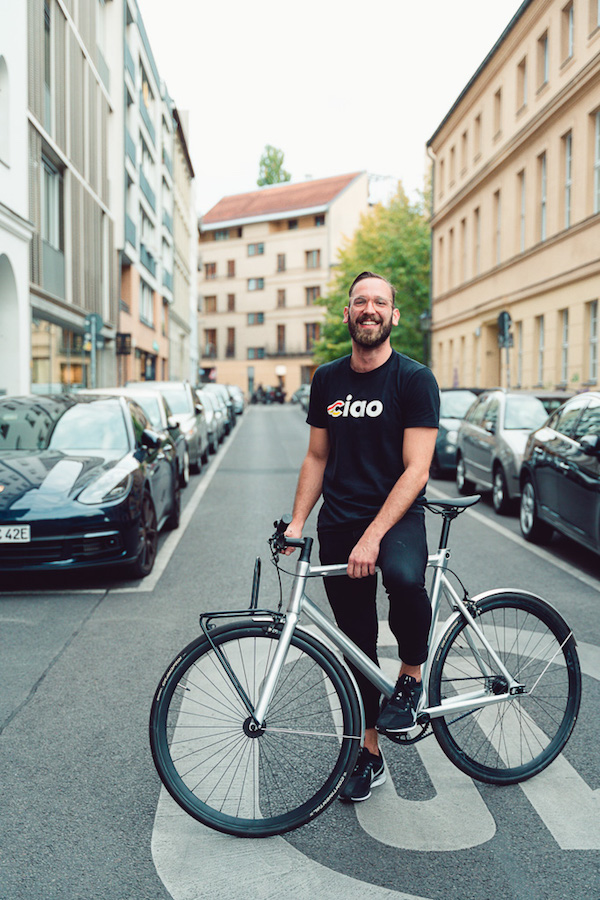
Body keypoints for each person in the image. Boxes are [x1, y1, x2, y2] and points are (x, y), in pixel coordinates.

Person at [284, 271, 439, 803]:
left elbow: (416, 470)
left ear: (393, 315)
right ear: (347, 315)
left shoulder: (414, 380)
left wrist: (374, 535)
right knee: (356, 644)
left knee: (401, 576)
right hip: (340, 523)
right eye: (359, 302)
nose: (369, 309)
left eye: (379, 302)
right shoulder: (327, 379)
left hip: (395, 519)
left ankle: (413, 675)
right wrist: (298, 522)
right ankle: (368, 751)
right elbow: (317, 456)